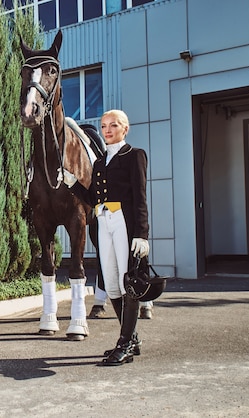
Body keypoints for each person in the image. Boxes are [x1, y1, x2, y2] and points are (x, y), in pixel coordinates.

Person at [62, 109, 150, 366]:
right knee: (111, 283)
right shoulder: (100, 163)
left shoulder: (134, 156)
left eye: (113, 125)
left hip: (124, 222)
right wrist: (73, 183)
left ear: (125, 128)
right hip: (103, 222)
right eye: (103, 126)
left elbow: (140, 198)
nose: (107, 130)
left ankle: (125, 343)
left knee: (127, 282)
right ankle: (130, 338)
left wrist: (141, 234)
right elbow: (92, 199)